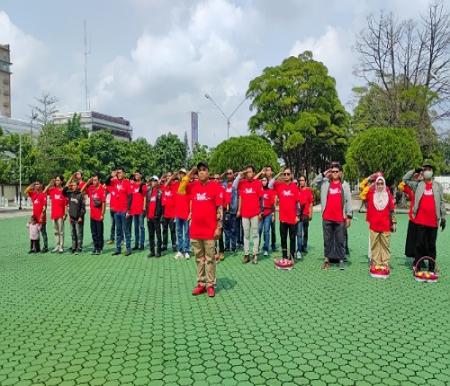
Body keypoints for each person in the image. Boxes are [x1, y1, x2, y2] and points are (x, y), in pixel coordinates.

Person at [179, 162, 223, 297]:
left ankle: (210, 284)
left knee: (210, 259)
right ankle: (201, 284)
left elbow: (219, 208)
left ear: (208, 172)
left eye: (204, 170)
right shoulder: (193, 187)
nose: (202, 172)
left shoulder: (215, 187)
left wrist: (219, 227)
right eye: (199, 171)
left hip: (210, 231)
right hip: (196, 231)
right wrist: (190, 173)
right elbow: (181, 189)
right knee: (199, 259)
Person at [403, 161, 446, 274]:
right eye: (425, 169)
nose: (427, 171)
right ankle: (417, 266)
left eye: (429, 169)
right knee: (419, 244)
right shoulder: (418, 185)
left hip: (433, 222)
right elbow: (405, 180)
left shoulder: (438, 186)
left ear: (432, 172)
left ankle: (431, 268)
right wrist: (415, 170)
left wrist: (443, 217)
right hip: (420, 221)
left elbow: (441, 202)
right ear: (423, 171)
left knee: (432, 245)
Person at [313, 163, 352, 270]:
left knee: (340, 240)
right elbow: (314, 183)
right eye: (332, 171)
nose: (334, 173)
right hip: (327, 217)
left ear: (340, 173)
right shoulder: (325, 183)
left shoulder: (344, 185)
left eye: (336, 171)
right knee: (327, 240)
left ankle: (341, 260)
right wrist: (324, 173)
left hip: (340, 218)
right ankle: (327, 259)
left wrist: (349, 216)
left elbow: (348, 201)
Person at [363, 175, 396, 276]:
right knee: (375, 246)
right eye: (378, 184)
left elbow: (392, 210)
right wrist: (369, 179)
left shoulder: (388, 195)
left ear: (384, 184)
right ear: (375, 185)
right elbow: (362, 190)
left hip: (385, 225)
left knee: (385, 246)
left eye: (382, 183)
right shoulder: (371, 194)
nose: (380, 186)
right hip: (374, 225)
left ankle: (385, 264)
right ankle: (376, 264)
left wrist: (394, 223)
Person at [269, 168, 301, 261]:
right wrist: (279, 174)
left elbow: (298, 203)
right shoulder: (279, 186)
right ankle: (284, 256)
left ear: (291, 175)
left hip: (292, 218)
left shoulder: (294, 187)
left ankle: (291, 255)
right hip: (283, 218)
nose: (286, 176)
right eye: (285, 174)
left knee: (292, 238)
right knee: (283, 238)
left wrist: (297, 216)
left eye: (288, 174)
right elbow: (270, 184)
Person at [235, 166, 263, 264]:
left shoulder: (258, 183)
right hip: (245, 214)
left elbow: (261, 199)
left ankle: (255, 254)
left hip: (255, 213)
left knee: (255, 234)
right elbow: (235, 187)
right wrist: (240, 175)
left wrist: (260, 212)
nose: (248, 174)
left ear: (254, 173)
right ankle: (246, 254)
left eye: (250, 172)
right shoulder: (242, 183)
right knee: (246, 235)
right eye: (247, 172)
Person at [106, 167, 133, 256]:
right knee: (118, 231)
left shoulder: (127, 182)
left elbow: (130, 197)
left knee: (126, 231)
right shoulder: (114, 182)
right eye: (117, 173)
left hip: (124, 210)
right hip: (117, 211)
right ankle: (118, 249)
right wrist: (111, 176)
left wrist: (128, 210)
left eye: (120, 172)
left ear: (124, 173)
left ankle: (128, 249)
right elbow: (106, 182)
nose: (119, 174)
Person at [82, 174, 106, 255]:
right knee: (94, 233)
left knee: (99, 233)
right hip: (92, 215)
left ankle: (100, 248)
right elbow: (81, 190)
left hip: (99, 215)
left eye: (95, 180)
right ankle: (95, 247)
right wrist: (88, 182)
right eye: (93, 180)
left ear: (98, 180)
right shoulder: (91, 188)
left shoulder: (102, 189)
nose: (94, 181)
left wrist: (102, 214)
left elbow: (103, 203)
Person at [398, 172, 419, 260]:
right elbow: (400, 185)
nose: (417, 178)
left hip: (423, 218)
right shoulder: (411, 189)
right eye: (415, 177)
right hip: (413, 218)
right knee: (413, 239)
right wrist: (413, 173)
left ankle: (421, 257)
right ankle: (415, 257)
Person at [44, 176, 67, 253]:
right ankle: (57, 246)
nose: (56, 181)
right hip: (54, 214)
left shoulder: (63, 191)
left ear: (61, 181)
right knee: (55, 231)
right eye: (56, 180)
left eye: (58, 180)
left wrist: (65, 213)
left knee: (61, 231)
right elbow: (44, 192)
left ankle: (61, 246)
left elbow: (65, 204)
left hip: (61, 214)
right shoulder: (52, 190)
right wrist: (50, 184)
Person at [63, 178, 86, 254]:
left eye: (74, 185)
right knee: (73, 234)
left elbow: (83, 208)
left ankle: (79, 247)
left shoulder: (81, 195)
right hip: (72, 218)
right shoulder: (70, 194)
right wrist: (68, 185)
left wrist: (80, 217)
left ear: (77, 186)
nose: (73, 186)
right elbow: (63, 191)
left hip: (78, 218)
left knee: (79, 233)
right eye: (72, 185)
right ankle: (74, 247)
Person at [25, 181, 48, 253]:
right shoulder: (33, 194)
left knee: (43, 232)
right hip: (34, 219)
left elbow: (44, 207)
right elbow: (26, 191)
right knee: (34, 233)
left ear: (41, 185)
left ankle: (45, 247)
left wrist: (42, 215)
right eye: (36, 185)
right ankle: (36, 248)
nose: (36, 185)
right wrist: (32, 184)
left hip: (41, 217)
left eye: (38, 184)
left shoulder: (43, 194)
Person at [173, 168, 191, 259]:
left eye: (183, 174)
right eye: (180, 173)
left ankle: (187, 250)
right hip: (178, 213)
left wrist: (191, 212)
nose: (181, 175)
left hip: (186, 213)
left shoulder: (188, 185)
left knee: (187, 233)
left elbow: (191, 200)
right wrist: (173, 175)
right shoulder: (175, 185)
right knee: (179, 232)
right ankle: (180, 250)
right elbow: (165, 184)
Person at [144, 176, 163, 257]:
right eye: (152, 181)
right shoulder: (148, 191)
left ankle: (158, 251)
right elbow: (147, 204)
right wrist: (147, 215)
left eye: (155, 181)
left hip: (156, 217)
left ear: (157, 182)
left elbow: (162, 206)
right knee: (151, 235)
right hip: (149, 217)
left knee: (158, 235)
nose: (153, 182)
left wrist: (160, 216)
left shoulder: (160, 192)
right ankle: (152, 251)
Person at [259, 176, 275, 257]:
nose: (264, 182)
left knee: (266, 231)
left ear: (267, 182)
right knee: (259, 230)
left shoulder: (270, 191)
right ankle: (257, 247)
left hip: (268, 213)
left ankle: (266, 249)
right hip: (260, 213)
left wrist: (273, 214)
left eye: (265, 180)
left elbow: (273, 204)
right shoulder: (259, 191)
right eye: (262, 180)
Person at [129, 170, 147, 250]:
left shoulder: (142, 185)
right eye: (135, 174)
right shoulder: (132, 185)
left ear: (141, 175)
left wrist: (144, 207)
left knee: (141, 227)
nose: (136, 175)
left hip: (140, 210)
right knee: (136, 227)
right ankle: (136, 244)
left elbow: (145, 197)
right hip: (134, 210)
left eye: (138, 174)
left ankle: (142, 244)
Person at [222, 168, 238, 253]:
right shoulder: (223, 184)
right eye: (227, 173)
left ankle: (234, 246)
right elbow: (216, 180)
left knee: (233, 229)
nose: (229, 175)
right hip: (225, 210)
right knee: (226, 229)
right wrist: (223, 173)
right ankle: (227, 246)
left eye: (230, 173)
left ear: (233, 174)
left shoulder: (236, 184)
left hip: (233, 209)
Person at [161, 172, 177, 253]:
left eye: (170, 176)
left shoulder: (174, 185)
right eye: (167, 176)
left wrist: (175, 214)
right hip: (164, 214)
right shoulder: (164, 186)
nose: (168, 177)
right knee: (164, 230)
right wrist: (163, 177)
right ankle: (164, 245)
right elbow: (160, 182)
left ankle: (174, 245)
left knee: (173, 230)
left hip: (172, 214)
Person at [298, 175, 314, 253]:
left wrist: (311, 213)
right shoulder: (297, 191)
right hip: (299, 215)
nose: (301, 182)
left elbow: (311, 203)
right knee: (299, 232)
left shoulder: (308, 191)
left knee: (305, 231)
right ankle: (299, 247)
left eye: (303, 180)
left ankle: (305, 246)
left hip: (306, 215)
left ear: (305, 181)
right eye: (300, 180)